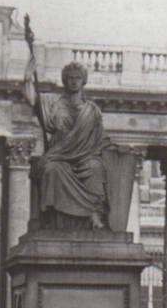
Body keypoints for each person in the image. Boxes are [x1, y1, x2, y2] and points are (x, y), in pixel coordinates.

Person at [22, 21, 109, 229]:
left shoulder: (92, 110)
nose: (73, 82)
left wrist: (98, 151)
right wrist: (27, 77)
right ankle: (53, 218)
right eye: (69, 78)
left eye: (77, 78)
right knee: (51, 168)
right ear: (64, 80)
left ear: (83, 81)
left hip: (85, 159)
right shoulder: (54, 104)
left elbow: (99, 141)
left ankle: (94, 215)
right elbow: (32, 100)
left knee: (96, 168)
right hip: (60, 158)